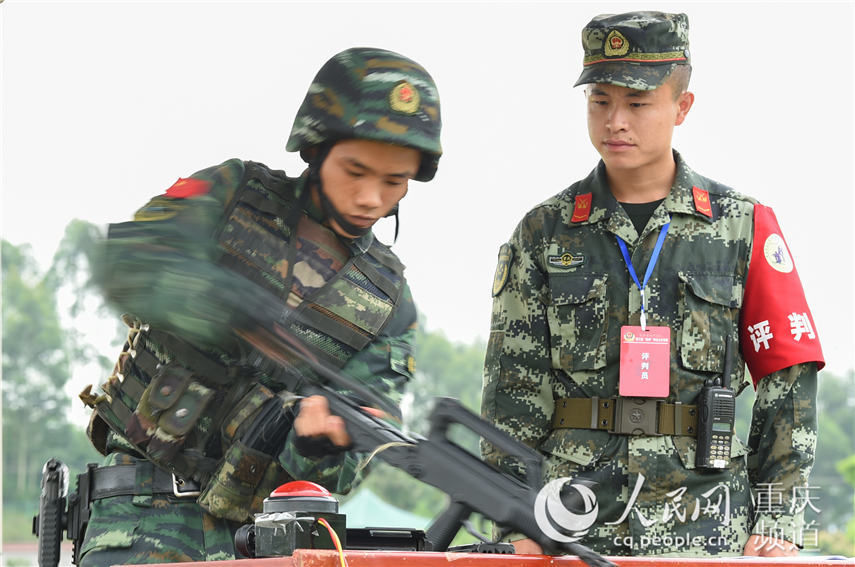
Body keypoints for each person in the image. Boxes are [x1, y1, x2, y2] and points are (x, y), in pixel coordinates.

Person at [75, 47, 442, 565]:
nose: (369, 198)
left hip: (260, 539)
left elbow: (355, 458)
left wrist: (319, 446)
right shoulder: (234, 193)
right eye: (355, 171)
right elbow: (126, 262)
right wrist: (224, 307)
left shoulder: (389, 305)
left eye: (393, 182)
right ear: (315, 149)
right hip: (139, 512)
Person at [481, 11, 823, 558]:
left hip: (705, 521)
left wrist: (778, 516)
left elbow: (789, 382)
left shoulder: (742, 226)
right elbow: (511, 396)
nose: (616, 121)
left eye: (637, 103)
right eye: (600, 101)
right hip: (570, 520)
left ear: (681, 107)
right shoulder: (544, 231)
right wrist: (514, 519)